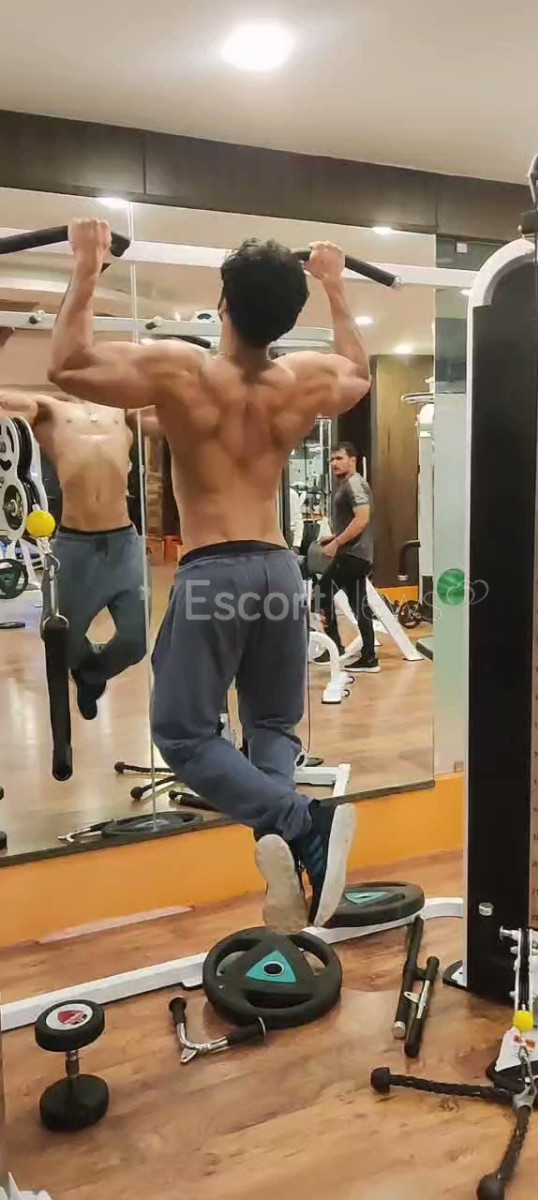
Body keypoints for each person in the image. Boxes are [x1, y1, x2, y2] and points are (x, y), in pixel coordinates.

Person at [47, 223, 372, 931]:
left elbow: (67, 364)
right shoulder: (304, 378)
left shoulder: (182, 370)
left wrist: (87, 261)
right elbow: (358, 373)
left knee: (183, 734)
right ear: (286, 318)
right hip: (279, 571)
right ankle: (290, 849)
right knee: (273, 725)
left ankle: (301, 820)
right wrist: (335, 283)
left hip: (215, 573)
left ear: (223, 305)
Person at [0, 333, 156, 719]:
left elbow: (180, 410)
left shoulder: (125, 412)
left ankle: (92, 673)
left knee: (135, 642)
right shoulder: (49, 410)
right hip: (74, 547)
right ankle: (85, 668)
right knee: (60, 641)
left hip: (124, 544)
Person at [319, 442, 379, 673]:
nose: (334, 463)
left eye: (339, 458)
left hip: (353, 555)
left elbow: (362, 519)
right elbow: (354, 521)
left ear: (352, 460)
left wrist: (337, 543)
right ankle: (369, 658)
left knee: (320, 593)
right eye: (332, 459)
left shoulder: (354, 484)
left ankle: (334, 646)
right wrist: (335, 537)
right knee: (359, 605)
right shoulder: (348, 484)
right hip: (356, 554)